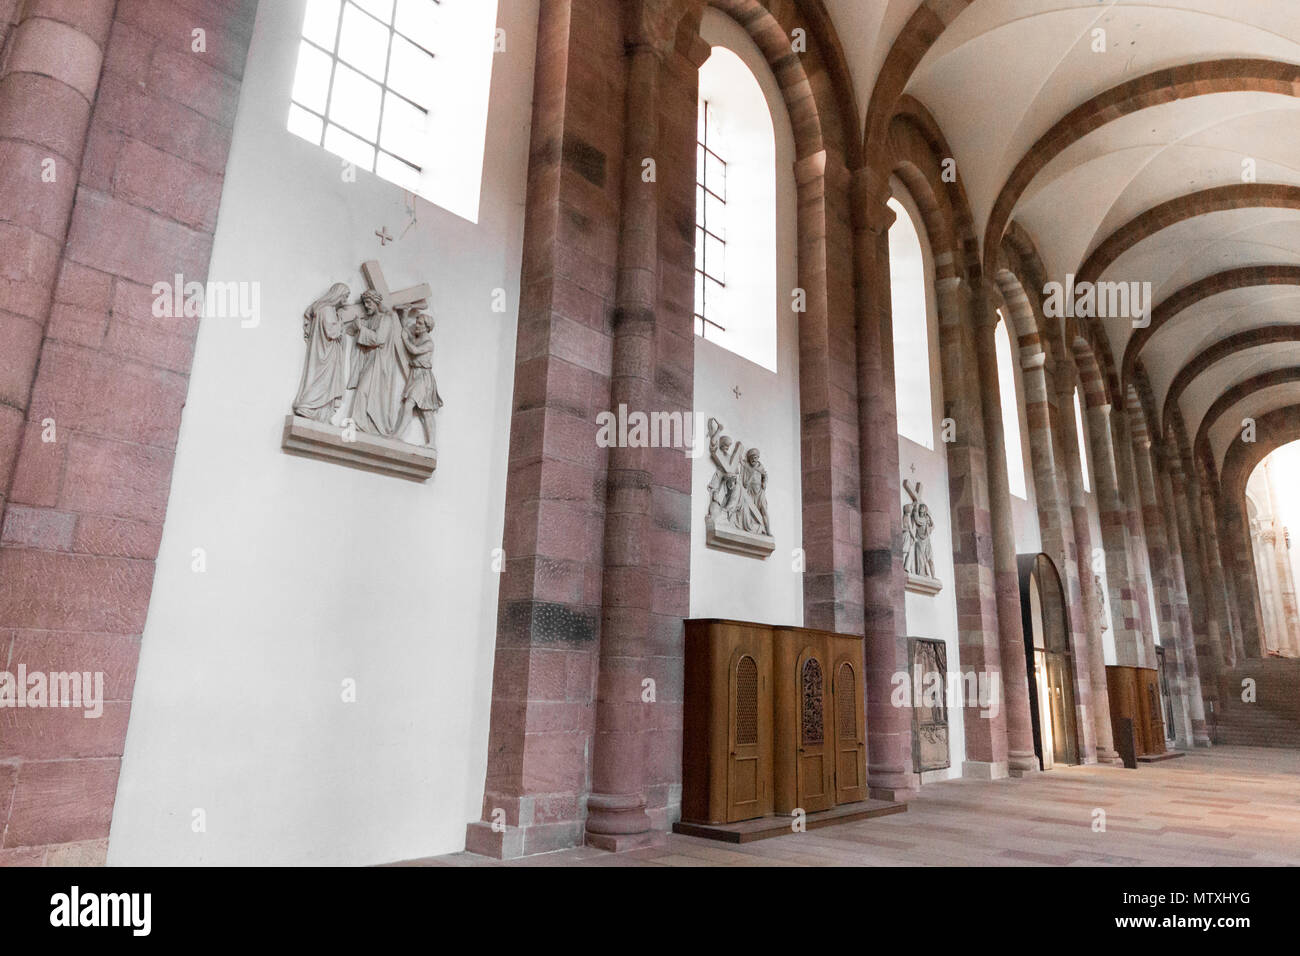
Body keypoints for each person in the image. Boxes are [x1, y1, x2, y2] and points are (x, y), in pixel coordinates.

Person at [347, 289, 407, 437]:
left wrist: (361, 329)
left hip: (380, 362)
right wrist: (355, 326)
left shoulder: (386, 318)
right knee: (364, 391)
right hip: (369, 360)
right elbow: (350, 330)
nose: (366, 306)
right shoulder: (369, 320)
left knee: (363, 391)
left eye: (368, 303)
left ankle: (362, 423)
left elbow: (379, 339)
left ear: (376, 302)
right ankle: (362, 424)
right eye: (364, 303)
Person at [292, 283, 350, 423]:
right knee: (320, 380)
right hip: (325, 354)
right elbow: (332, 331)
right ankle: (308, 407)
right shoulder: (327, 310)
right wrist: (341, 324)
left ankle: (321, 413)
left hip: (327, 351)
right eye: (345, 297)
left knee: (325, 382)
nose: (346, 301)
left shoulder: (325, 309)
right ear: (338, 295)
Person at [394, 312, 443, 448]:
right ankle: (430, 442)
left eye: (420, 323)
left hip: (423, 377)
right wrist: (403, 316)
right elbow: (406, 332)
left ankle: (400, 435)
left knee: (412, 405)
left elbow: (414, 350)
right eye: (417, 322)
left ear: (427, 327)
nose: (417, 325)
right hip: (415, 375)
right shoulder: (417, 337)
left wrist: (404, 339)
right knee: (425, 412)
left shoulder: (428, 343)